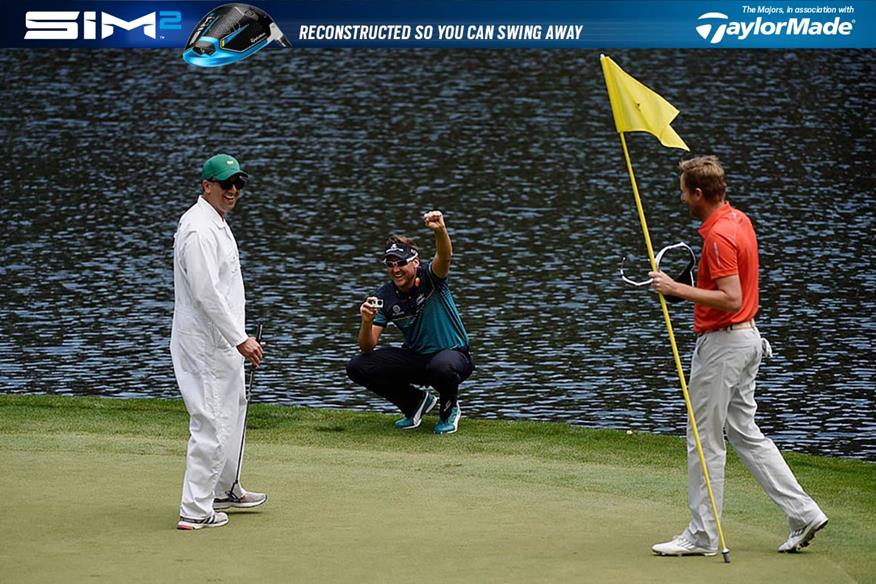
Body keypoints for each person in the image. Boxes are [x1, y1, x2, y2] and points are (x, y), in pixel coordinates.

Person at [648, 155, 828, 556]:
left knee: (704, 439)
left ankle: (702, 535)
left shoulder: (718, 238)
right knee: (745, 433)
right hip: (745, 341)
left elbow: (731, 298)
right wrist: (690, 287)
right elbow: (732, 288)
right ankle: (803, 512)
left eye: (683, 191)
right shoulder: (738, 220)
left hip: (725, 347)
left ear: (698, 193)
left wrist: (675, 289)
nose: (681, 199)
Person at [171, 154, 267, 530]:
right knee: (210, 421)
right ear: (206, 185)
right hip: (206, 343)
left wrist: (236, 340)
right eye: (225, 184)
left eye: (237, 184)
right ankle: (194, 510)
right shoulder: (197, 230)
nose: (232, 191)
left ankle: (226, 488)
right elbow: (205, 293)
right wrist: (240, 339)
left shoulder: (217, 223)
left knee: (234, 408)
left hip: (222, 342)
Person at [346, 211, 474, 435]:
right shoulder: (384, 295)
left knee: (441, 366)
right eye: (390, 264)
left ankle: (449, 409)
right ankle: (415, 404)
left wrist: (440, 230)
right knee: (358, 366)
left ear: (415, 262)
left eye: (401, 263)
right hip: (418, 359)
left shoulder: (431, 278)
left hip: (454, 355)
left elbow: (444, 257)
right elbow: (367, 347)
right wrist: (366, 321)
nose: (395, 270)